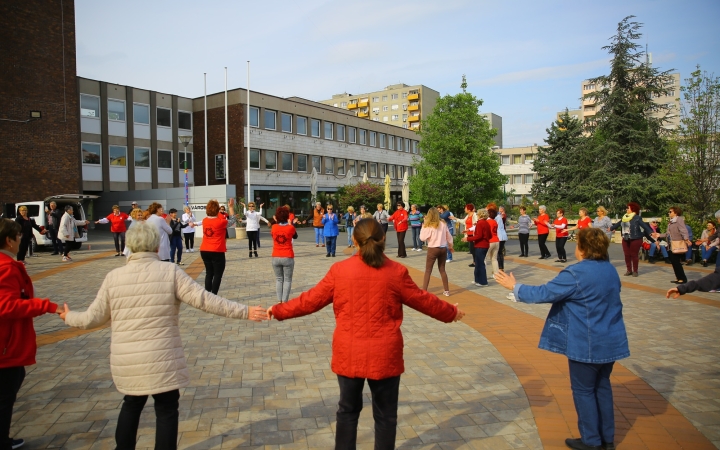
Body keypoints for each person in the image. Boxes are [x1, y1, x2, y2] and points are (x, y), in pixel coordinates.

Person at [57, 221, 266, 450]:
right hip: (163, 358)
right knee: (166, 409)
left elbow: (91, 318)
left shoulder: (113, 277)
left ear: (130, 246)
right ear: (157, 247)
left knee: (131, 404)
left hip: (128, 361)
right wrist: (245, 311)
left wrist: (68, 317)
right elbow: (206, 300)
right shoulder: (170, 272)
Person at [265, 219, 465, 450]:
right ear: (383, 239)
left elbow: (310, 301)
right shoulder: (396, 272)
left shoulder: (340, 271)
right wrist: (451, 312)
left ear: (354, 241)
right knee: (385, 416)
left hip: (349, 352)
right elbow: (423, 301)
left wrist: (279, 310)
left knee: (347, 412)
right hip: (385, 355)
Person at [495, 227, 629, 450]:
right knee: (602, 387)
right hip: (610, 339)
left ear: (583, 249)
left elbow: (545, 293)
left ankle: (591, 441)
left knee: (584, 391)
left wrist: (514, 287)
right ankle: (606, 438)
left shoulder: (576, 273)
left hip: (587, 342)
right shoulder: (609, 270)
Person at [0, 219, 61, 450]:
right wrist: (46, 306)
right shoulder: (5, 268)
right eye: (18, 237)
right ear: (9, 240)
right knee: (5, 396)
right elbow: (6, 306)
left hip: (8, 342)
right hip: (6, 344)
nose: (20, 241)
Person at [199, 199, 237, 294]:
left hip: (204, 249)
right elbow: (232, 220)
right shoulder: (221, 222)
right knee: (217, 274)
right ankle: (214, 295)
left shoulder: (205, 220)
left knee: (209, 273)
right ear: (217, 210)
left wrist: (216, 207)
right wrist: (231, 207)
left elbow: (214, 216)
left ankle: (207, 294)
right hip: (216, 250)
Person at [610, 202, 655, 277]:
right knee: (627, 255)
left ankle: (635, 271)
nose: (626, 209)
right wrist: (611, 228)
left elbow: (644, 225)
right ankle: (629, 270)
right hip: (625, 238)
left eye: (628, 208)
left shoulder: (637, 218)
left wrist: (651, 232)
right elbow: (618, 224)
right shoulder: (625, 217)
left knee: (634, 255)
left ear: (632, 209)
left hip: (635, 238)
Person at [651, 206, 691, 284]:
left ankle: (682, 278)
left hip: (677, 243)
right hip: (671, 244)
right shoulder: (671, 221)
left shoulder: (679, 219)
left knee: (676, 261)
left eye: (670, 212)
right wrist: (659, 235)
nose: (669, 213)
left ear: (675, 212)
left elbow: (683, 230)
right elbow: (668, 234)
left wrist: (686, 239)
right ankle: (678, 277)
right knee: (673, 261)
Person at [420, 208, 453, 296]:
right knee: (442, 269)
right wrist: (450, 246)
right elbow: (448, 236)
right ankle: (446, 290)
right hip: (443, 248)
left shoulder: (429, 225)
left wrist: (423, 226)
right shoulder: (443, 223)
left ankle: (424, 290)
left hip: (433, 248)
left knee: (428, 270)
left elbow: (422, 238)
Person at [271, 206, 298, 303]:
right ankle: (284, 301)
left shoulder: (274, 227)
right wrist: (290, 223)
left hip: (276, 256)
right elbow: (295, 236)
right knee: (287, 280)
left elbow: (273, 235)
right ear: (287, 216)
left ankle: (279, 300)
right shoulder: (290, 228)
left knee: (279, 279)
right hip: (287, 256)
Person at [463, 208, 491, 287]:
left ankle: (483, 281)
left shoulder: (480, 223)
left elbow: (478, 236)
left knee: (480, 264)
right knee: (478, 263)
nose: (477, 215)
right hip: (485, 245)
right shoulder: (486, 223)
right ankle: (477, 280)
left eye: (478, 214)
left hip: (480, 245)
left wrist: (468, 238)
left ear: (480, 215)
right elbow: (490, 235)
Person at [486, 207, 501, 277]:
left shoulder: (487, 222)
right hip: (496, 240)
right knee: (494, 259)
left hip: (490, 241)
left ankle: (483, 275)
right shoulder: (495, 221)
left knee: (483, 258)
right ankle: (496, 274)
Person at [496, 205, 508, 270]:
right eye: (499, 210)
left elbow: (503, 218)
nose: (500, 211)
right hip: (502, 235)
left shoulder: (503, 216)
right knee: (499, 251)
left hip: (501, 235)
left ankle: (500, 267)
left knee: (498, 252)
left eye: (501, 210)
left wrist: (502, 216)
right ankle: (501, 267)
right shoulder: (499, 215)